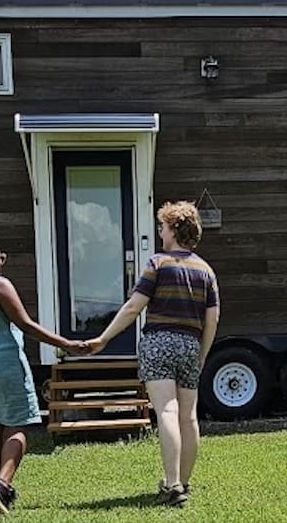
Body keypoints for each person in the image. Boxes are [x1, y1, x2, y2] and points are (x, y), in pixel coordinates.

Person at [86, 201, 220, 507]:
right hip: (190, 345)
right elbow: (212, 319)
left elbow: (134, 306)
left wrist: (103, 338)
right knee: (189, 417)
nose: (160, 232)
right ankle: (184, 482)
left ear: (173, 229)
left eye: (162, 226)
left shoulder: (157, 263)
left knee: (167, 413)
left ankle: (172, 485)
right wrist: (202, 354)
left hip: (159, 342)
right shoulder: (206, 271)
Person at [0, 229, 86, 514]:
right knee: (16, 426)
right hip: (4, 363)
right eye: (0, 255)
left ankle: (0, 488)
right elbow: (26, 324)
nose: (3, 260)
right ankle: (1, 486)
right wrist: (66, 344)